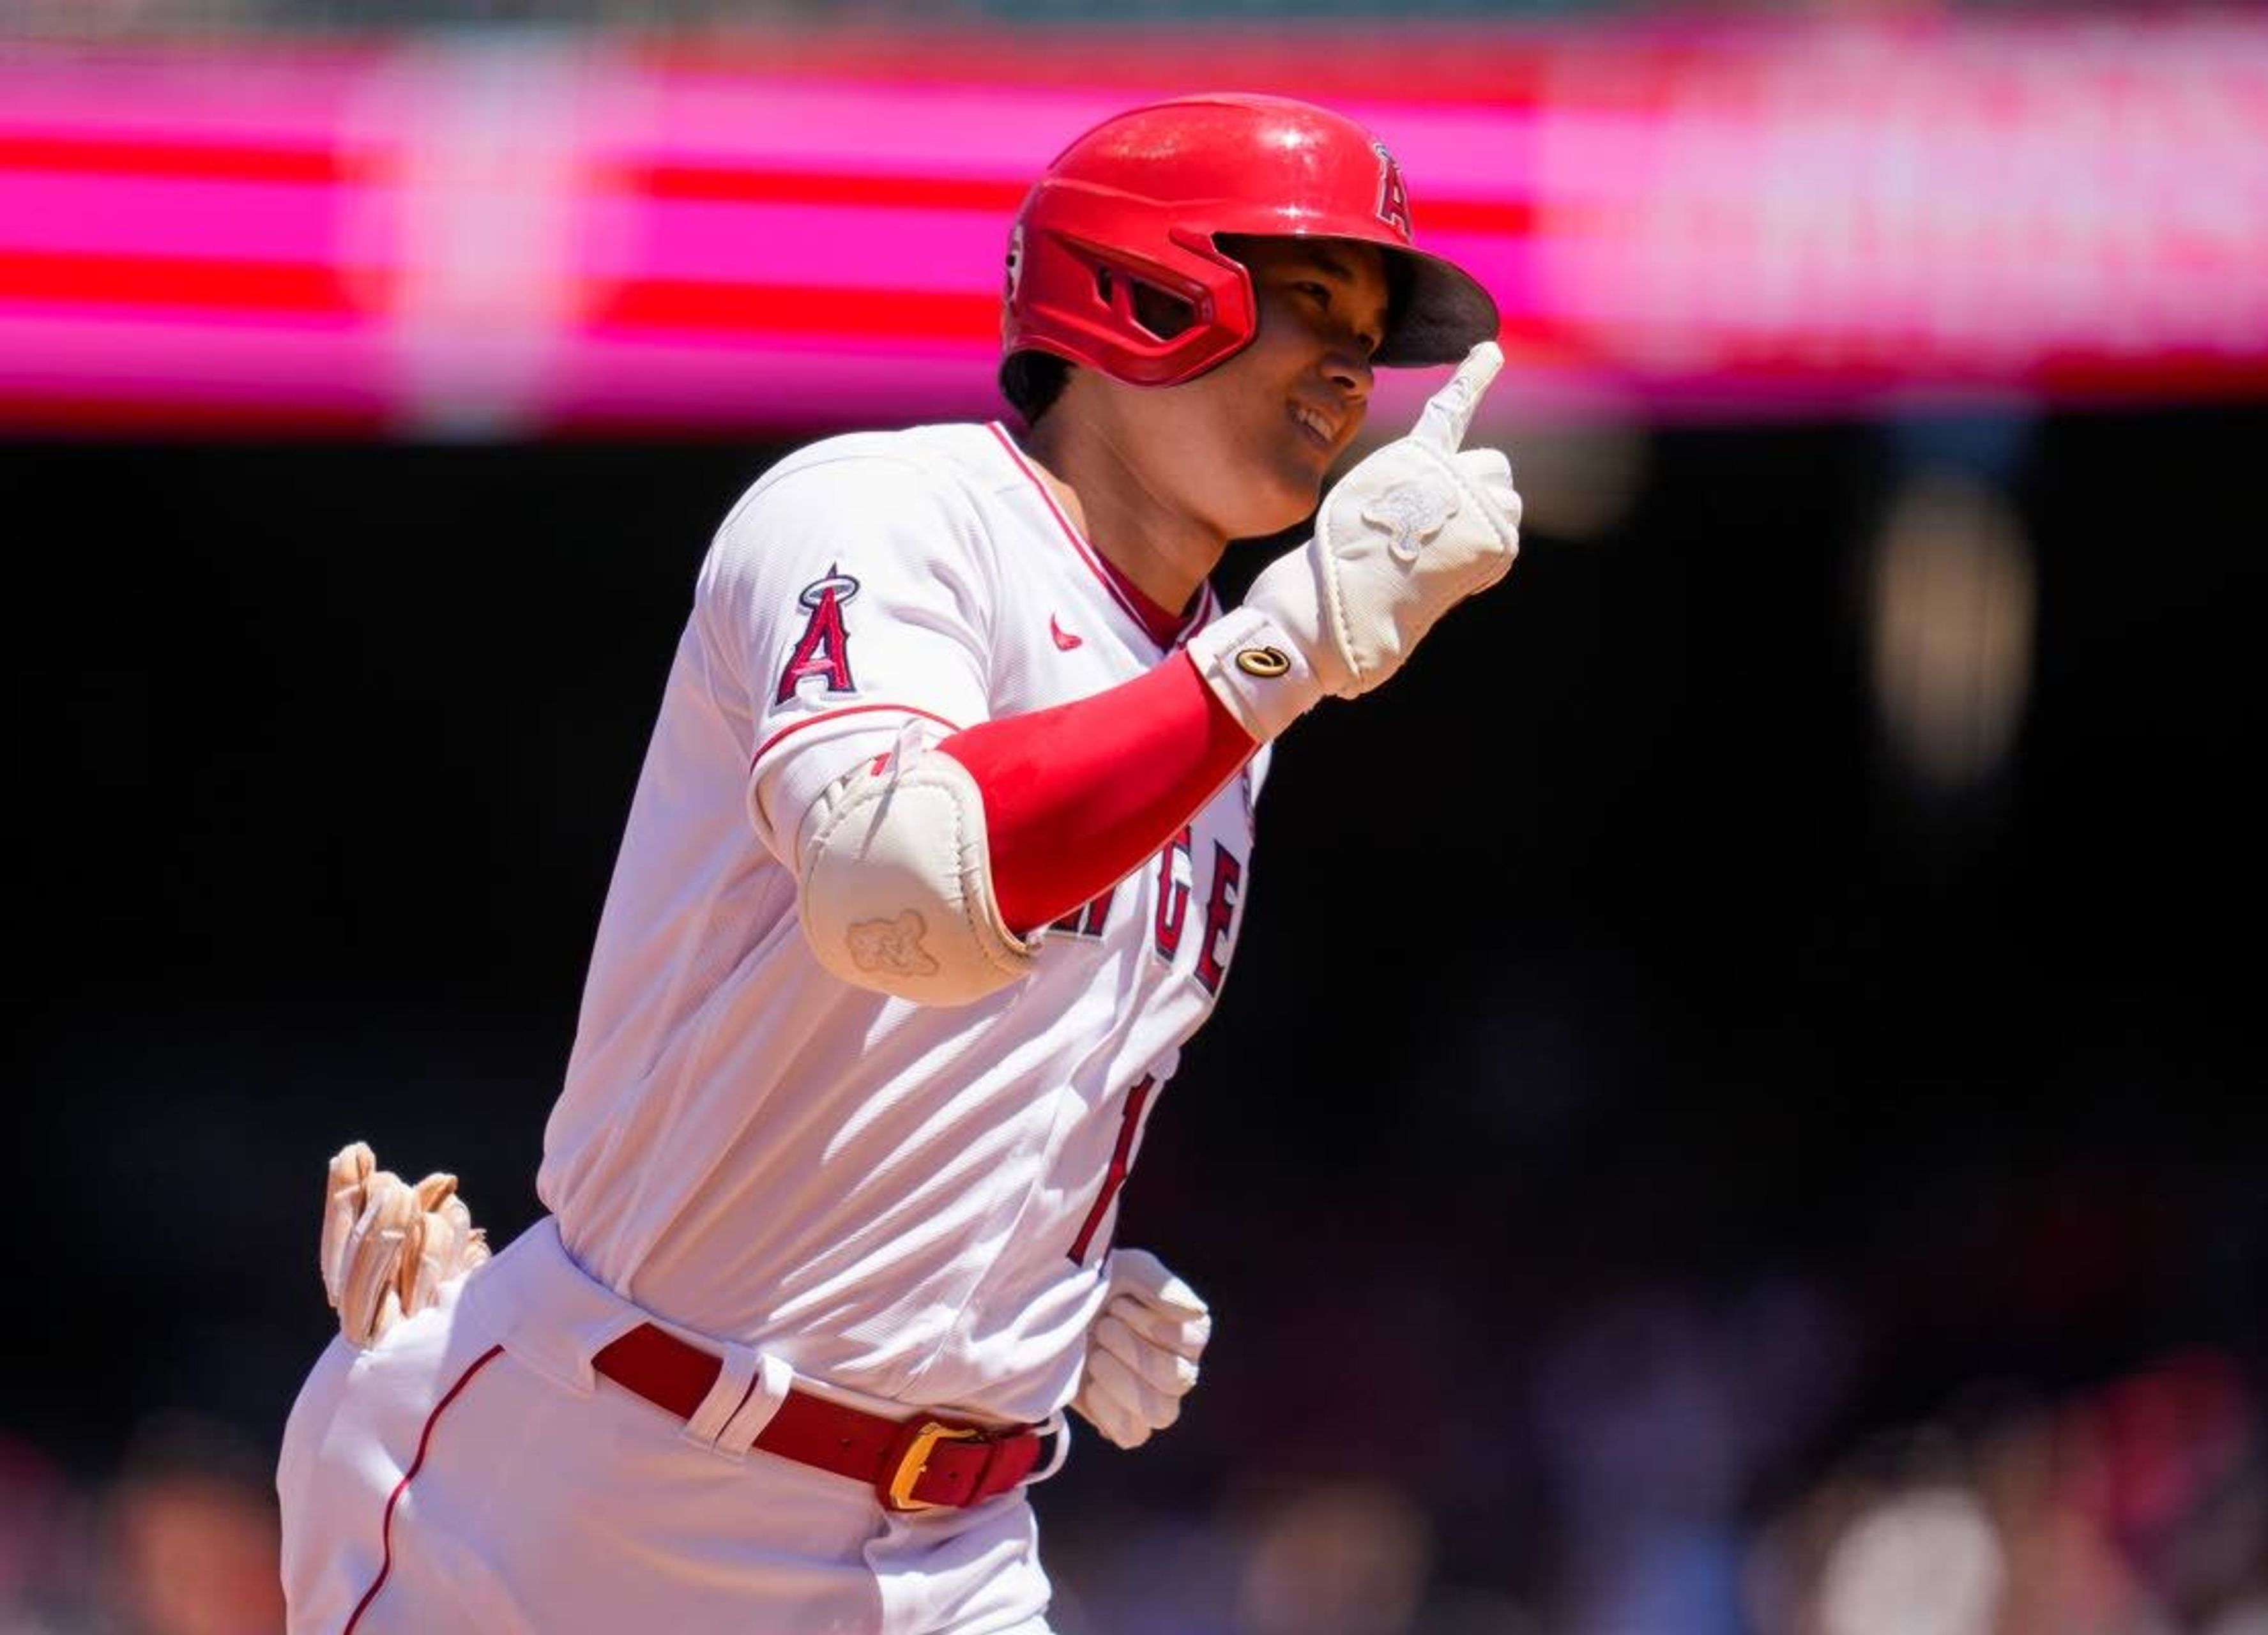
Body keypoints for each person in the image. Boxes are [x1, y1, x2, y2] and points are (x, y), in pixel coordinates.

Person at [276, 90, 1521, 1634]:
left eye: (1375, 323)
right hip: (585, 1496)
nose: (1353, 360)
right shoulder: (883, 514)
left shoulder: (1217, 697)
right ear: (1137, 287)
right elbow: (899, 895)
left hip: (945, 1549)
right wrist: (1284, 653)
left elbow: (1008, 1040)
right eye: (1309, 295)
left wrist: (1027, 1293)